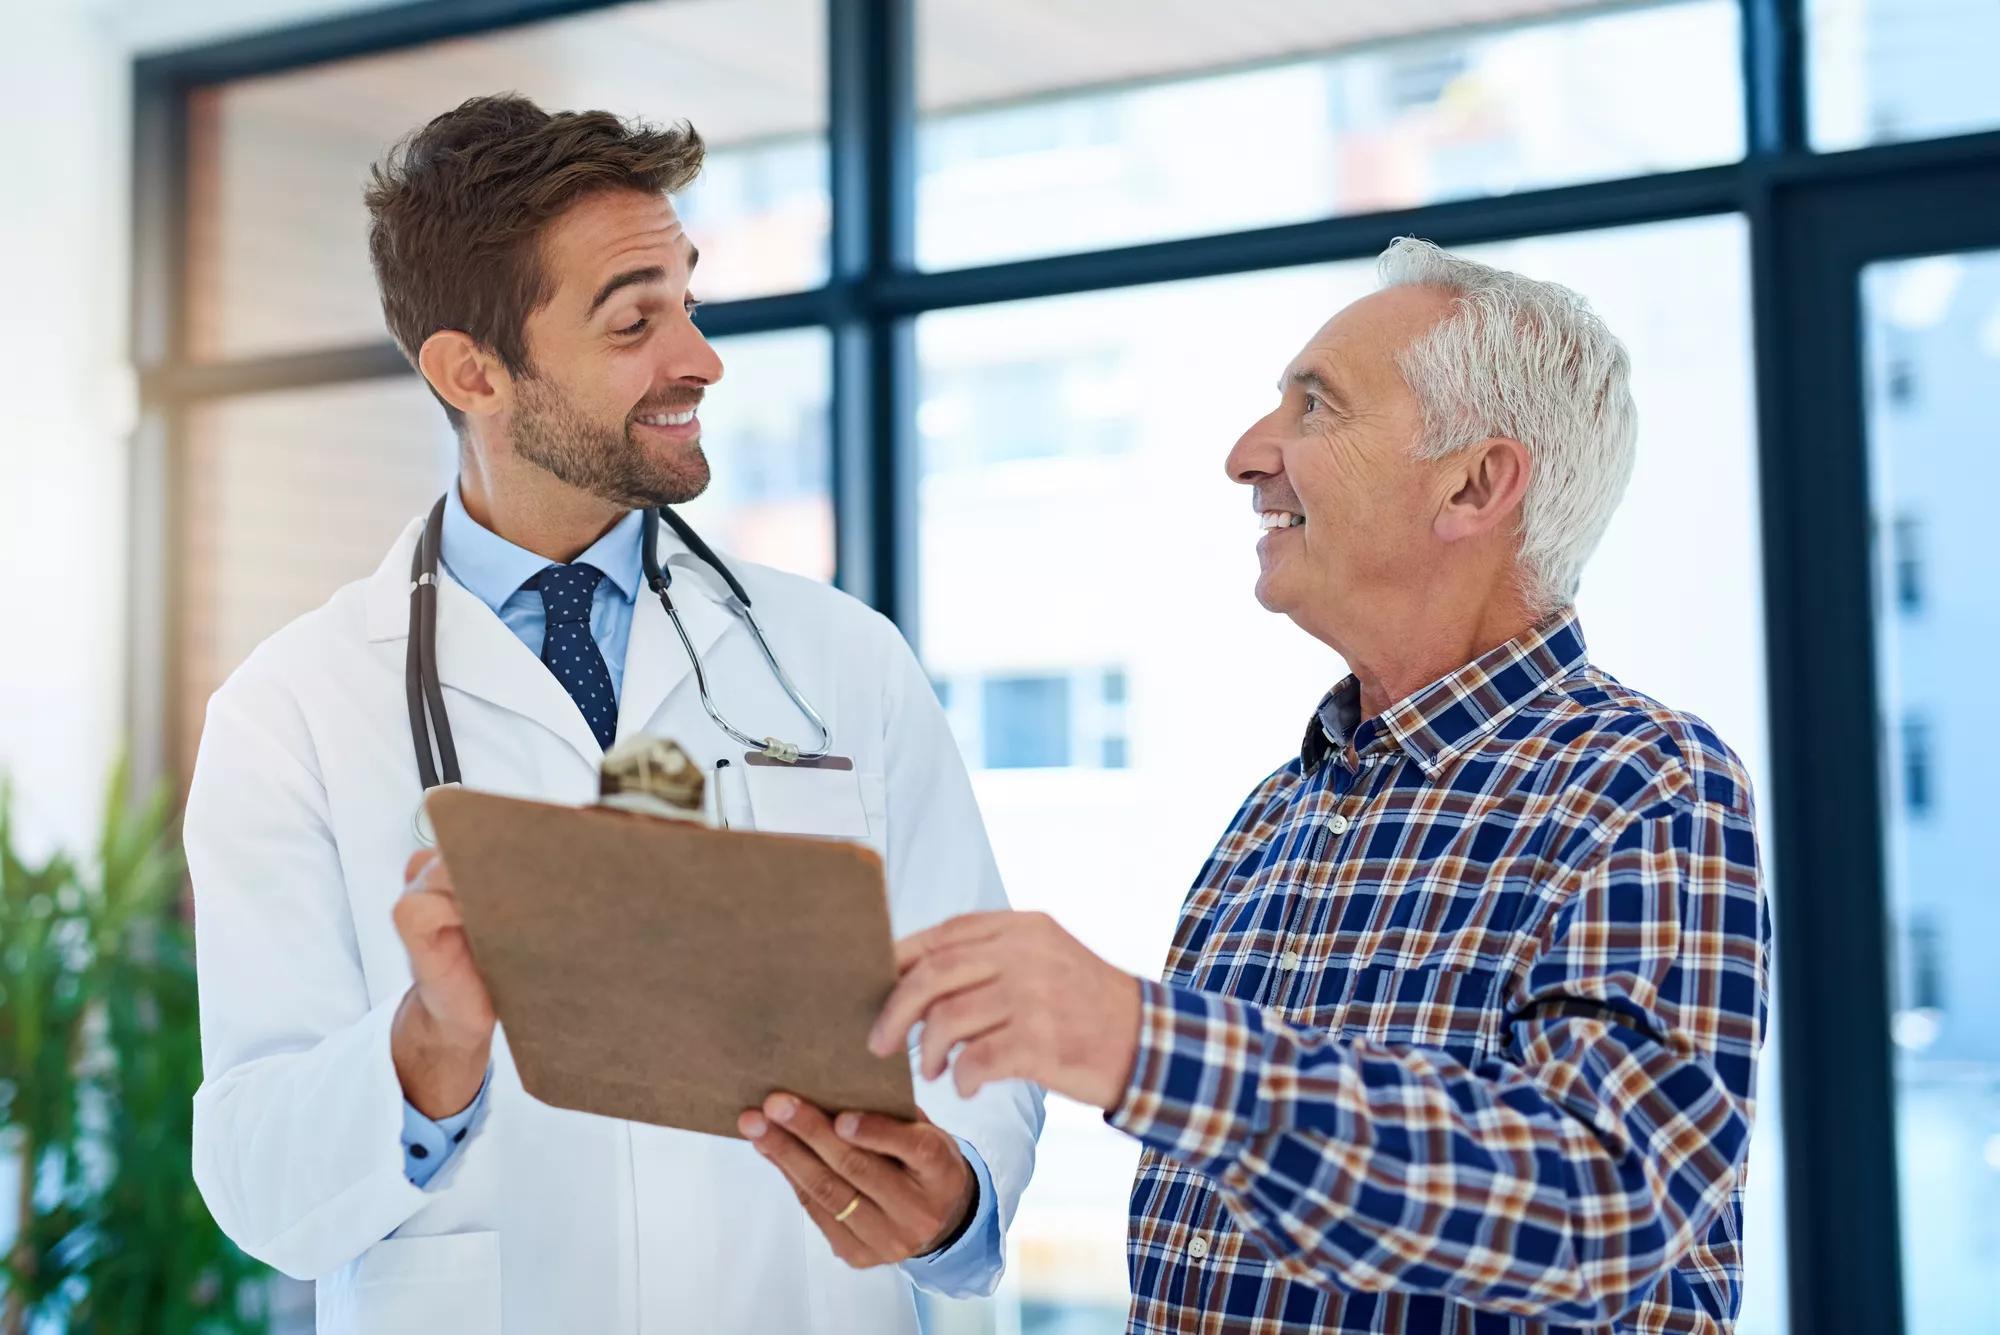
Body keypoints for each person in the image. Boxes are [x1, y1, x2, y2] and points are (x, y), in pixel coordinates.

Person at [185, 94, 1042, 1335]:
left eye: (687, 302)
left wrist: (958, 1192)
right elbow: (260, 1177)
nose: (699, 358)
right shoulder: (294, 708)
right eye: (635, 321)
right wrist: (430, 1043)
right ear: (470, 371)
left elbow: (974, 1017)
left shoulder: (837, 660)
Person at [876, 239, 1771, 1333]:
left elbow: (1610, 1203)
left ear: (1473, 483)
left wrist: (1139, 1045)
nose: (1247, 455)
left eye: (1315, 407)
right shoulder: (1271, 818)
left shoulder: (1638, 783)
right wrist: (943, 1201)